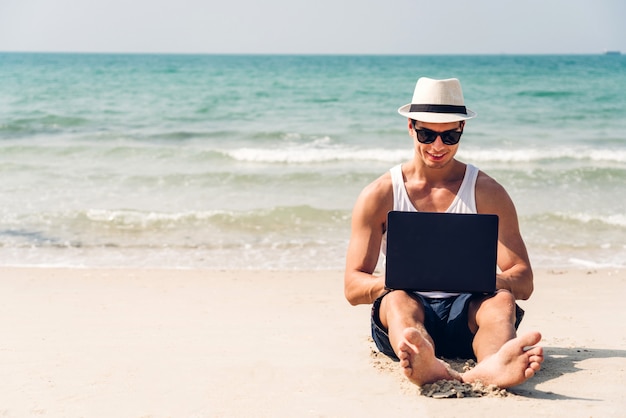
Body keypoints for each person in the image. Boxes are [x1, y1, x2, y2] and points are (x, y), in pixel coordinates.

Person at [344, 77, 544, 389]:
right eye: (427, 134)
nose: (438, 146)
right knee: (397, 300)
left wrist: (482, 281)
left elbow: (524, 281)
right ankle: (423, 358)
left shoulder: (487, 192)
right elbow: (353, 286)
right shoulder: (380, 194)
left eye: (449, 136)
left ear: (462, 131)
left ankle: (492, 364)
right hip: (408, 315)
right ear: (411, 127)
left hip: (470, 317)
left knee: (501, 301)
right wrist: (400, 279)